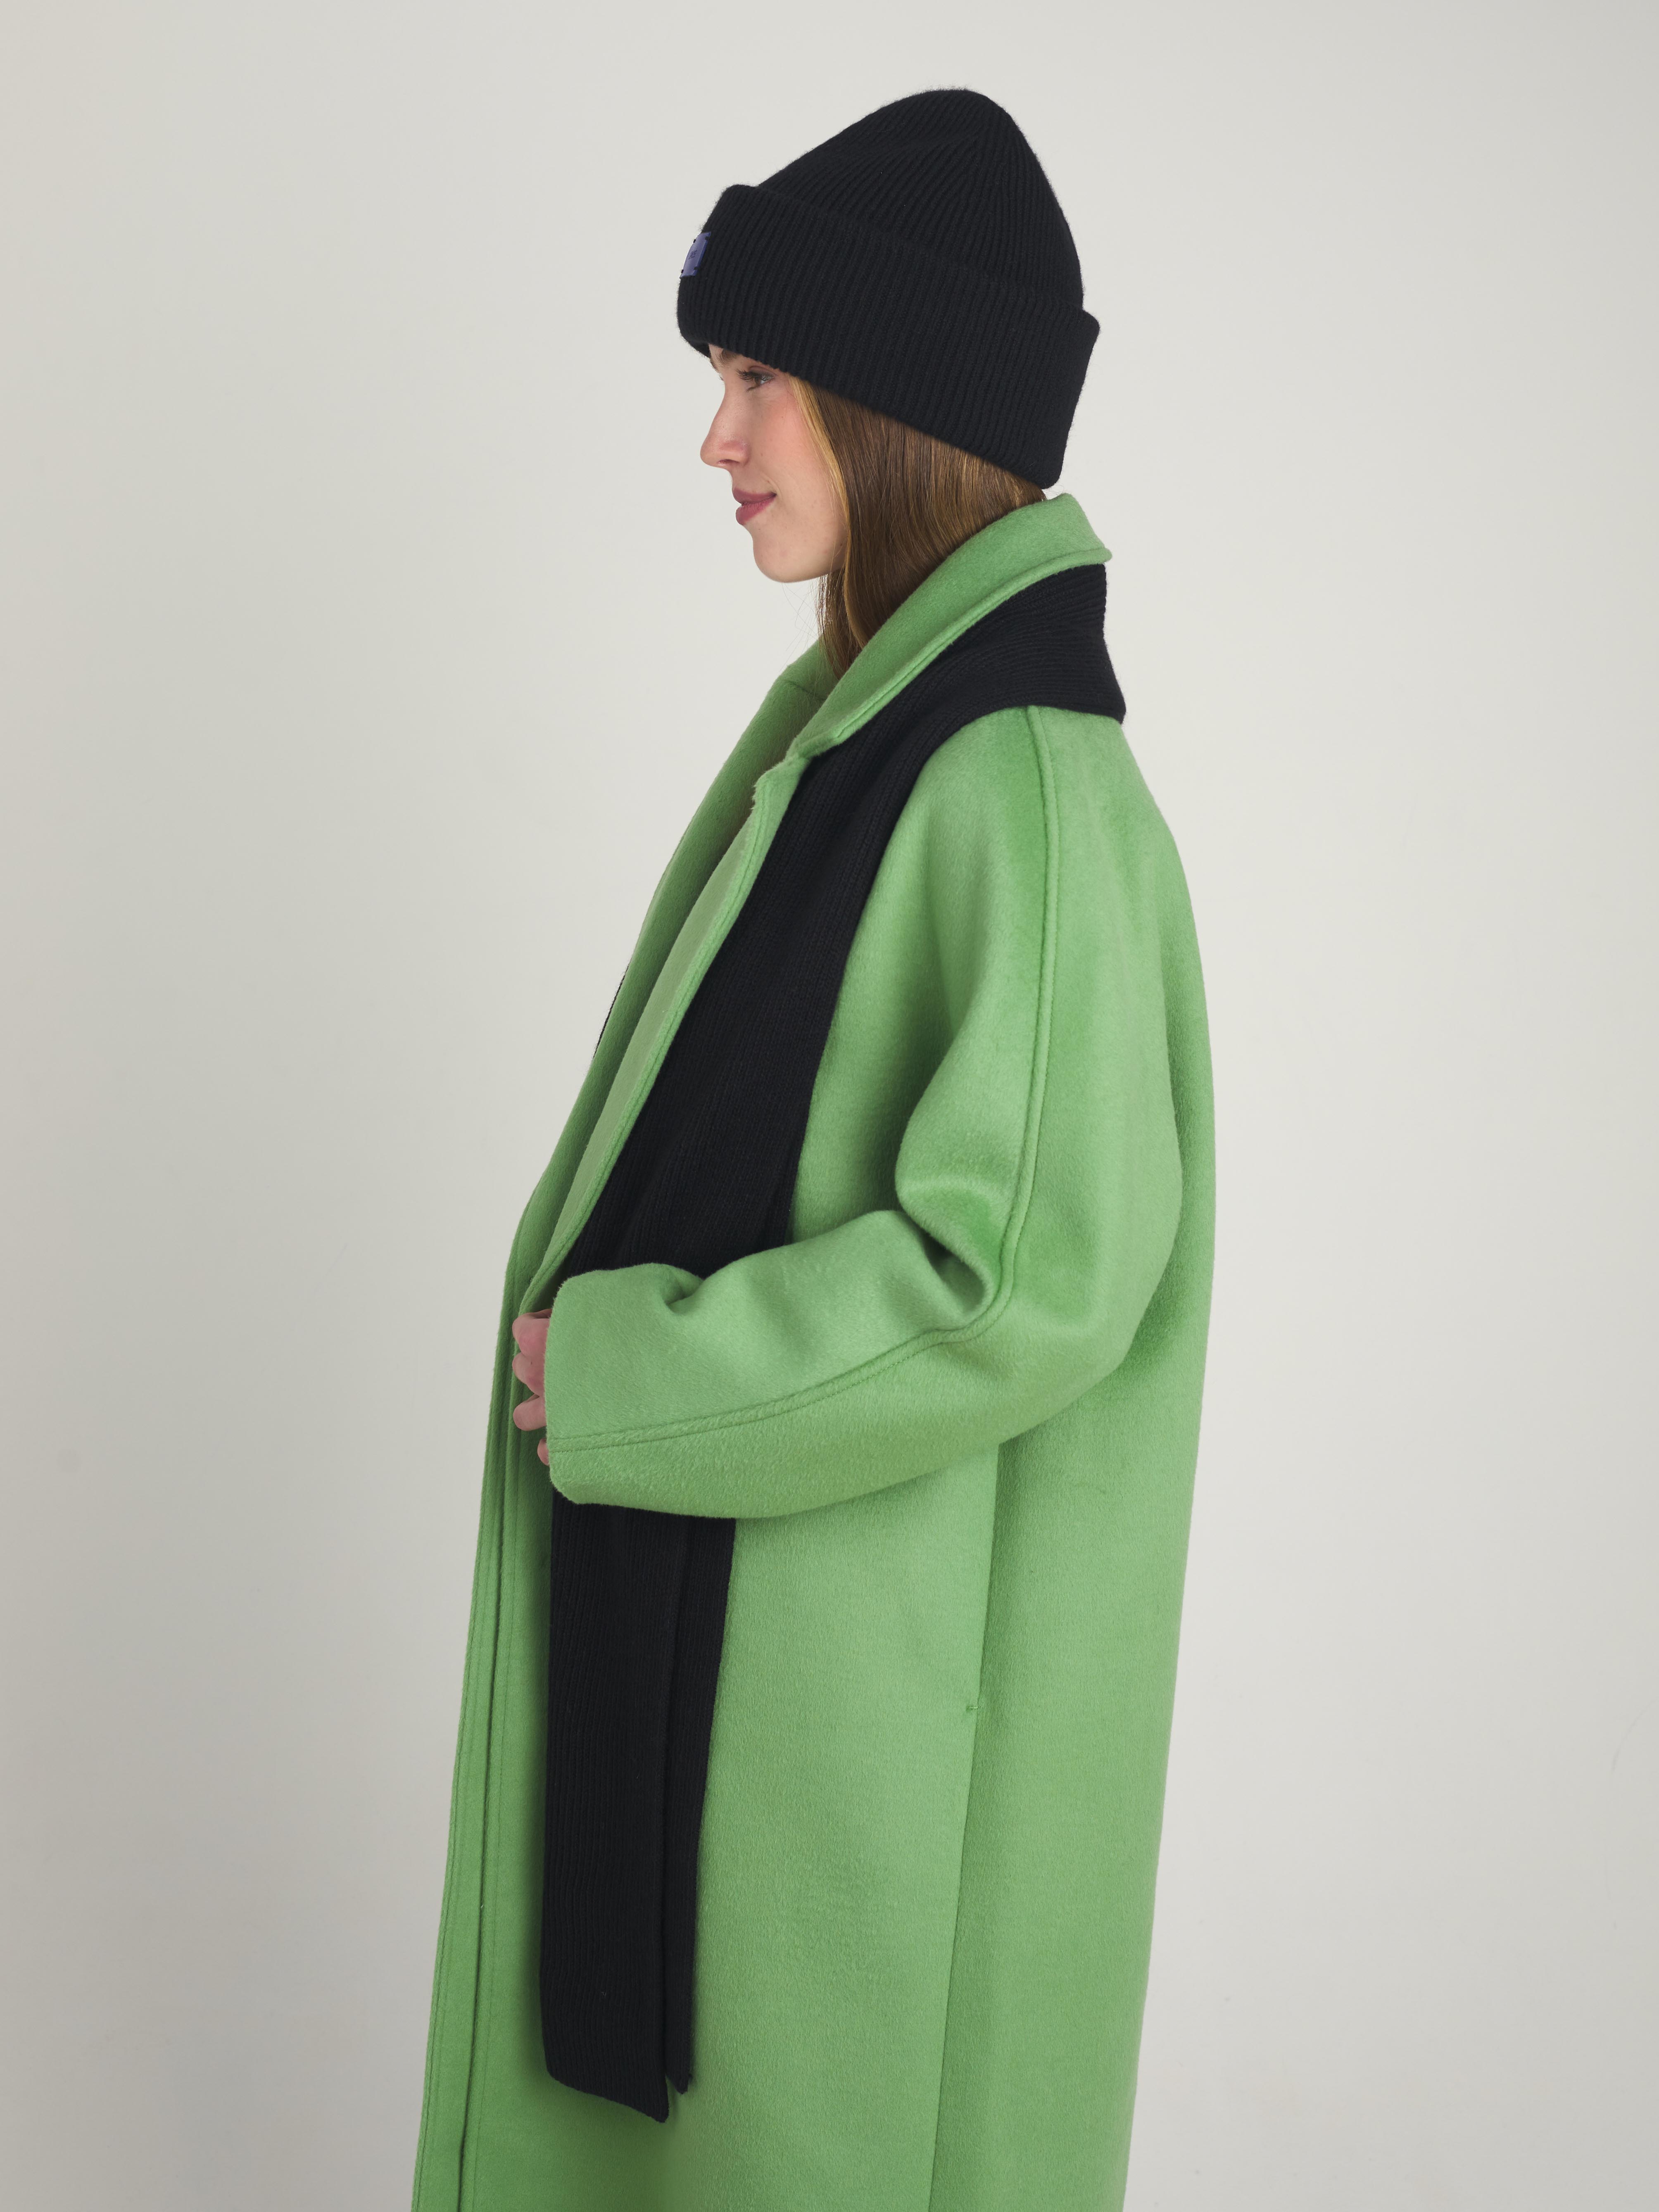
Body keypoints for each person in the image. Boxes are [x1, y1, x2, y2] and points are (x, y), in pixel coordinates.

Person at [412, 88, 1214, 2212]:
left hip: (874, 1770)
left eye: (758, 376)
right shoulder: (877, 734)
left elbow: (1017, 1278)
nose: (718, 436)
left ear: (896, 397)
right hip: (779, 1721)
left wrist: (629, 1376)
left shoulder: (1014, 782)